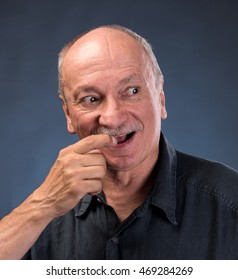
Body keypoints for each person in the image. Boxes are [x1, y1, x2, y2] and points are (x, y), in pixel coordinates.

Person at [0, 25, 238, 260]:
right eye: (91, 99)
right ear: (68, 115)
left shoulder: (230, 201)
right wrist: (41, 207)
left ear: (161, 99)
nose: (112, 117)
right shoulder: (40, 218)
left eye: (132, 91)